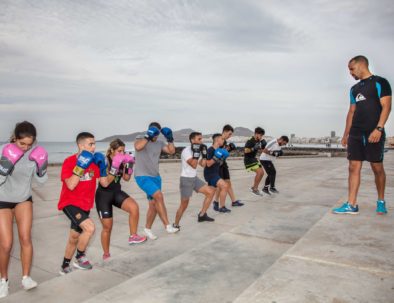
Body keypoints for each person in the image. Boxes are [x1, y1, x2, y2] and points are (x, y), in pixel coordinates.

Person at [333, 55, 391, 215]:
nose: (350, 73)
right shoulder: (354, 89)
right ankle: (351, 204)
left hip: (374, 132)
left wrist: (379, 129)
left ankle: (381, 200)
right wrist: (346, 134)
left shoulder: (380, 82)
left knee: (376, 167)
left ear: (361, 65)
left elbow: (386, 107)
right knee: (353, 167)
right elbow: (351, 111)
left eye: (351, 69)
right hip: (356, 132)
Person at [0, 121, 48, 298]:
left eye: (30, 144)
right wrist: (4, 168)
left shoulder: (34, 153)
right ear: (14, 138)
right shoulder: (3, 150)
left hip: (23, 198)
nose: (26, 148)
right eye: (22, 144)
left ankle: (26, 277)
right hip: (2, 199)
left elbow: (41, 183)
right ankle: (3, 281)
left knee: (25, 237)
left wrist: (41, 168)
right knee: (6, 244)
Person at [58, 132, 111, 275]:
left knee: (74, 237)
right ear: (80, 145)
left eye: (94, 144)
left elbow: (104, 184)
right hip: (70, 203)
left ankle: (64, 266)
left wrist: (104, 168)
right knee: (90, 228)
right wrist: (80, 166)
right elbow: (70, 185)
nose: (94, 147)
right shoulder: (69, 161)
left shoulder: (95, 162)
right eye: (90, 144)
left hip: (85, 206)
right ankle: (80, 257)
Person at [95, 139, 146, 261]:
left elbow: (126, 178)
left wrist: (129, 165)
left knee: (134, 208)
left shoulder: (122, 160)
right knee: (107, 227)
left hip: (116, 192)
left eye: (123, 150)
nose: (122, 153)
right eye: (119, 151)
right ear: (112, 150)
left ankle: (133, 236)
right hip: (104, 195)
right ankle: (106, 253)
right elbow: (106, 182)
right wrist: (115, 165)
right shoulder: (104, 161)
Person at [134, 122, 179, 240]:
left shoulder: (159, 142)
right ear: (149, 131)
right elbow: (138, 147)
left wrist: (170, 139)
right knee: (159, 196)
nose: (155, 136)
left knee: (153, 205)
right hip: (142, 176)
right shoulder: (140, 138)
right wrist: (148, 136)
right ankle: (167, 226)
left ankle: (147, 229)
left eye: (157, 133)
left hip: (155, 177)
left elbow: (171, 151)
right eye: (153, 132)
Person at [173, 132, 215, 229]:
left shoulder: (199, 150)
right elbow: (193, 164)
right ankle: (175, 224)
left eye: (201, 139)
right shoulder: (186, 151)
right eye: (199, 139)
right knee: (184, 205)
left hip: (194, 178)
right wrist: (196, 153)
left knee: (210, 192)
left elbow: (203, 164)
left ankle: (202, 215)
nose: (201, 141)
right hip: (186, 180)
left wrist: (204, 155)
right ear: (192, 140)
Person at [212, 125, 243, 210]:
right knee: (221, 185)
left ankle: (233, 201)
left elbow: (223, 153)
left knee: (228, 183)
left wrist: (228, 150)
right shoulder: (218, 139)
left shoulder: (224, 141)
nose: (230, 136)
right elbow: (215, 152)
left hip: (223, 164)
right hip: (218, 165)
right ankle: (216, 202)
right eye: (229, 134)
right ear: (225, 131)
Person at [204, 134, 231, 213]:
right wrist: (216, 157)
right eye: (222, 139)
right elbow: (208, 164)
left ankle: (203, 213)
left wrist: (222, 158)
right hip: (210, 174)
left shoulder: (219, 149)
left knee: (210, 194)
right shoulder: (210, 150)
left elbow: (218, 163)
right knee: (225, 186)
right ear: (217, 140)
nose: (223, 141)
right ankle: (222, 207)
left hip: (215, 172)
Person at [244, 127, 266, 196]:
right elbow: (246, 150)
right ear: (256, 134)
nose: (261, 136)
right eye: (260, 135)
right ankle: (255, 189)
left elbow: (262, 150)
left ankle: (254, 187)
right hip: (248, 159)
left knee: (262, 173)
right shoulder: (250, 140)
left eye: (262, 135)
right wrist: (253, 148)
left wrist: (263, 145)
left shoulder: (258, 141)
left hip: (254, 159)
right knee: (259, 172)